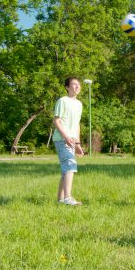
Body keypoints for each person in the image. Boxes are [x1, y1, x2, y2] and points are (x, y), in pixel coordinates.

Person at [52, 77, 84, 206]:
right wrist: (66, 137)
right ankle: (68, 198)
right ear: (67, 87)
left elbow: (77, 125)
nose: (77, 87)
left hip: (72, 140)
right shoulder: (62, 101)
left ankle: (60, 199)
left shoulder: (79, 104)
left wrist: (78, 144)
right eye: (74, 84)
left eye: (78, 85)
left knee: (66, 169)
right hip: (62, 139)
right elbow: (56, 121)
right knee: (70, 165)